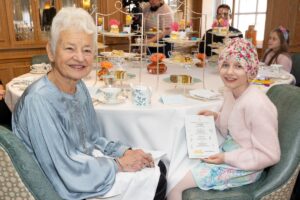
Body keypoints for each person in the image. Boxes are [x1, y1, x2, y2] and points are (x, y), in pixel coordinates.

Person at [12, 7, 166, 200]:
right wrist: (119, 164)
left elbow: (92, 138)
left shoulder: (79, 87)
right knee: (158, 181)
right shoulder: (39, 100)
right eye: (69, 48)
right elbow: (65, 170)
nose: (80, 57)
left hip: (83, 166)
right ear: (51, 52)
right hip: (63, 186)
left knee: (157, 166)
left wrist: (124, 151)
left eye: (87, 50)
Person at [167, 38, 281, 200]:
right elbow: (236, 126)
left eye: (238, 66)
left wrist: (226, 158)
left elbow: (270, 155)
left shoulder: (257, 104)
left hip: (245, 167)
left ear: (251, 70)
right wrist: (216, 117)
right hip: (227, 151)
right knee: (177, 161)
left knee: (174, 183)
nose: (229, 72)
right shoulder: (231, 92)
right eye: (226, 64)